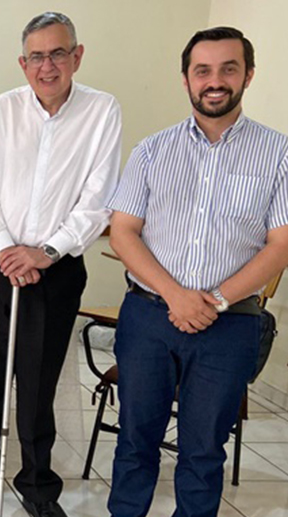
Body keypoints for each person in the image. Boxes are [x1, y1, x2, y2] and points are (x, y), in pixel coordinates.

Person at [107, 27, 288, 517]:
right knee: (135, 441)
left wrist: (215, 301)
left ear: (248, 75)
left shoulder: (279, 154)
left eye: (228, 68)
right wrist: (176, 296)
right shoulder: (151, 151)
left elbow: (281, 244)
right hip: (148, 319)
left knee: (204, 453)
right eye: (202, 70)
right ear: (185, 79)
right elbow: (123, 232)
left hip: (230, 326)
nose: (215, 81)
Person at [0, 12, 121, 517]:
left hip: (58, 266)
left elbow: (98, 201)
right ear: (22, 62)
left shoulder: (102, 111)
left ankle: (36, 485)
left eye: (57, 53)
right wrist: (11, 249)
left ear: (77, 55)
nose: (46, 66)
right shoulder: (3, 110)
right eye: (35, 56)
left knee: (38, 381)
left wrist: (45, 252)